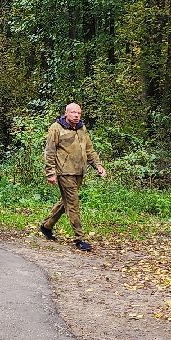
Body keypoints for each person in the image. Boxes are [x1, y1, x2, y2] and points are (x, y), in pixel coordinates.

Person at [39, 102, 107, 252]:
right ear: (66, 113)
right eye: (73, 113)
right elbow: (49, 152)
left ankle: (46, 226)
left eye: (79, 113)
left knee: (67, 202)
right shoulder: (56, 128)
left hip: (79, 171)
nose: (76, 115)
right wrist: (50, 173)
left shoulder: (82, 128)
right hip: (64, 171)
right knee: (73, 203)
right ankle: (79, 238)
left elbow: (89, 149)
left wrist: (98, 165)